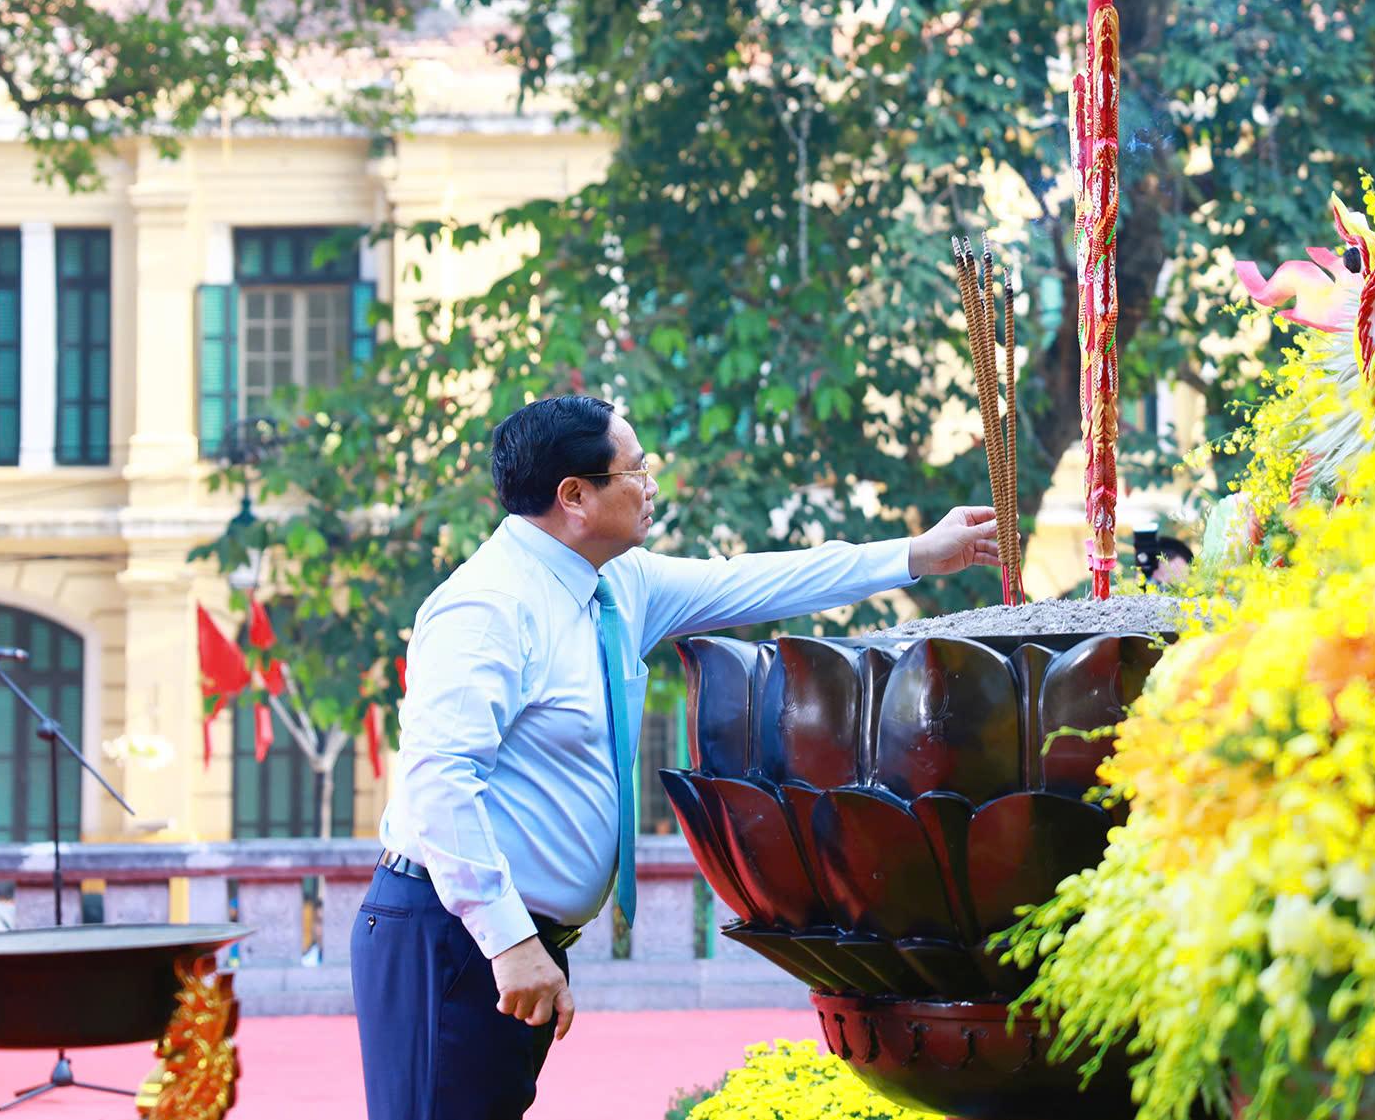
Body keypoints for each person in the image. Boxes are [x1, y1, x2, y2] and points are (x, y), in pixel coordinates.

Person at [351, 395, 1000, 1120]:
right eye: (637, 469)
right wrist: (508, 942)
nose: (652, 484)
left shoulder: (617, 585)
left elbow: (753, 580)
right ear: (575, 497)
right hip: (451, 934)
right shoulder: (487, 607)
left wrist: (917, 554)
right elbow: (440, 781)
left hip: (512, 940)